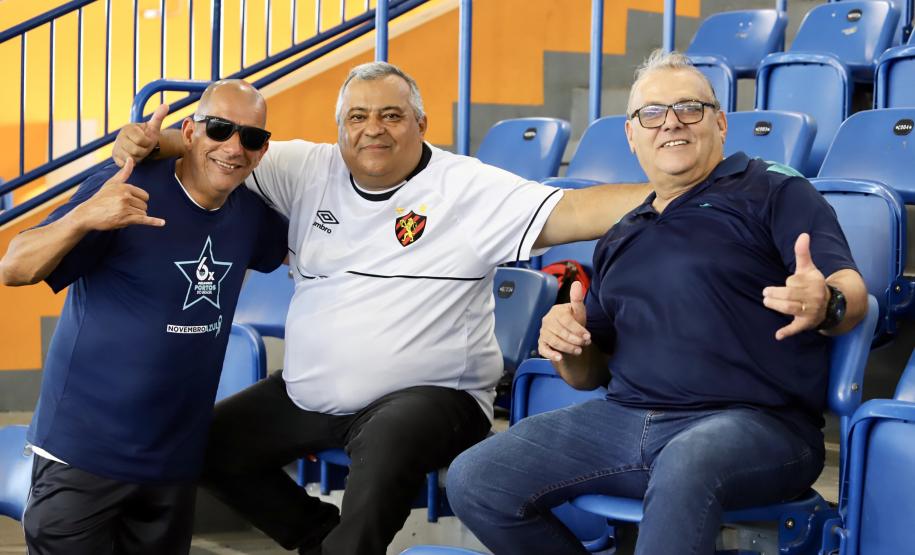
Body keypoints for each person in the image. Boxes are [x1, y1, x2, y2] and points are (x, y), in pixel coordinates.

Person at [111, 61, 650, 554]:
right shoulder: (305, 168)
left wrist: (682, 187)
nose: (374, 128)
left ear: (421, 123)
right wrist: (147, 142)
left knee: (388, 443)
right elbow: (215, 145)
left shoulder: (466, 187)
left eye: (392, 115)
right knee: (201, 445)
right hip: (312, 393)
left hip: (435, 397)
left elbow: (578, 208)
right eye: (358, 116)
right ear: (340, 127)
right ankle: (318, 538)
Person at [445, 50, 869, 555]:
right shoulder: (621, 232)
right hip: (625, 418)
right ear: (632, 134)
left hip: (756, 423)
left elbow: (852, 289)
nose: (671, 123)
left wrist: (828, 304)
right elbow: (590, 375)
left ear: (719, 123)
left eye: (689, 108)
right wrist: (568, 345)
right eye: (652, 113)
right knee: (477, 477)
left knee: (689, 461)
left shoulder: (773, 190)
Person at [0, 79, 288, 555]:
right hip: (83, 458)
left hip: (171, 468)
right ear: (191, 131)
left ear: (262, 151)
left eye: (251, 138)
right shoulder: (125, 187)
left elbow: (314, 249)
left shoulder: (251, 217)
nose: (234, 148)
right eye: (219, 129)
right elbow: (14, 267)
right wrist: (83, 217)